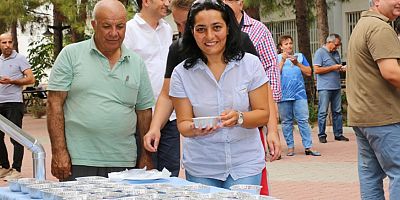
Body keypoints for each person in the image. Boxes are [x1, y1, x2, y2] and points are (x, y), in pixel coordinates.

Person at [143, 0, 281, 184]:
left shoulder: (248, 61)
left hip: (245, 163)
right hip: (202, 165)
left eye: (217, 27)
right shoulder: (181, 70)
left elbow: (263, 110)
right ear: (192, 31)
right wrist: (191, 129)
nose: (209, 36)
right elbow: (178, 115)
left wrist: (244, 119)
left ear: (228, 28)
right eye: (200, 29)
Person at [47, 0, 155, 181]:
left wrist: (146, 157)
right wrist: (59, 152)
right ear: (94, 25)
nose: (114, 33)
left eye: (120, 26)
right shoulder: (70, 55)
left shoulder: (136, 62)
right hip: (79, 160)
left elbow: (144, 111)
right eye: (107, 26)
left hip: (124, 161)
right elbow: (54, 104)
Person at [347, 0, 400, 198]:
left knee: (370, 175)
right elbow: (391, 72)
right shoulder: (380, 28)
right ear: (377, 0)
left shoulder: (362, 25)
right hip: (384, 116)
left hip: (363, 116)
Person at [123, 0, 177, 176]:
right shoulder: (129, 30)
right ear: (146, 2)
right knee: (145, 172)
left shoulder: (167, 29)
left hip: (169, 115)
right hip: (143, 115)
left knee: (170, 172)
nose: (167, 3)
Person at [223, 0, 281, 104]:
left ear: (240, 4)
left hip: (256, 99)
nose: (223, 3)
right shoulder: (212, 33)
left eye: (228, 0)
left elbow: (270, 66)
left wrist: (271, 101)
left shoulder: (259, 30)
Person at [277, 35, 320, 157]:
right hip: (283, 95)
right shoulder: (276, 57)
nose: (289, 46)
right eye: (286, 44)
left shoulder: (300, 56)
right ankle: (290, 147)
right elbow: (275, 74)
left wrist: (297, 64)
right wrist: (282, 61)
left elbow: (309, 72)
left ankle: (308, 147)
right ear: (281, 47)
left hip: (299, 94)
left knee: (303, 120)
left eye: (290, 43)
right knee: (286, 122)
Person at [0, 32, 35, 180]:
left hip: (14, 103)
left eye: (10, 42)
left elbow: (31, 79)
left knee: (16, 137)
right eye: (4, 43)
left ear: (13, 43)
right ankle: (5, 166)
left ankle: (16, 169)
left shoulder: (20, 58)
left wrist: (12, 81)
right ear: (0, 44)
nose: (7, 45)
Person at [313, 33, 349, 143]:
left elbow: (336, 67)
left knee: (337, 111)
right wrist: (333, 67)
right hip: (324, 87)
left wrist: (342, 68)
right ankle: (322, 134)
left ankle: (338, 134)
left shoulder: (336, 53)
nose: (337, 47)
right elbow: (317, 70)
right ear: (329, 42)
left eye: (339, 45)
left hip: (336, 86)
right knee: (323, 112)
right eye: (336, 44)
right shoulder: (319, 53)